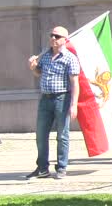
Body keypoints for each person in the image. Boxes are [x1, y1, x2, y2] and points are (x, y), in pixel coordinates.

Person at [26, 26, 80, 179]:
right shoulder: (45, 55)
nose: (53, 39)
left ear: (65, 40)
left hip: (61, 99)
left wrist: (74, 104)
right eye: (52, 35)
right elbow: (39, 73)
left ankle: (62, 167)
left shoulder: (70, 58)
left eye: (57, 36)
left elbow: (75, 83)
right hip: (45, 99)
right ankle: (42, 168)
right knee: (41, 134)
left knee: (62, 135)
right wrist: (33, 67)